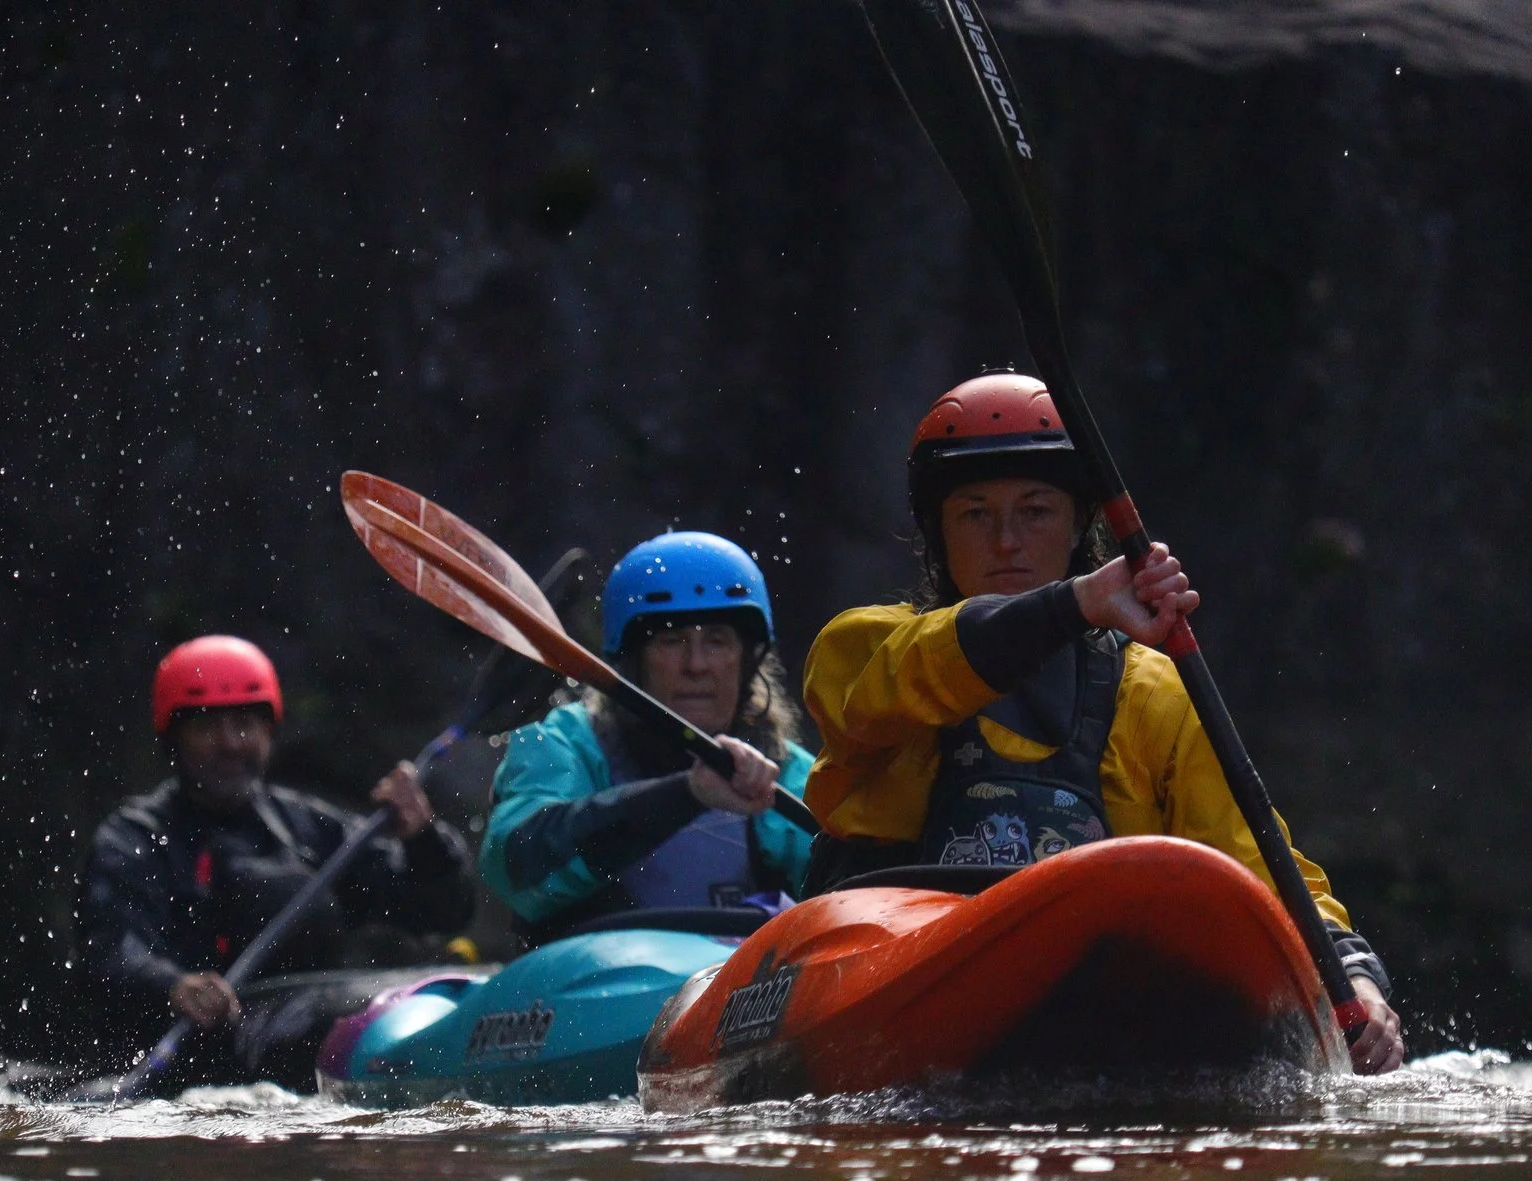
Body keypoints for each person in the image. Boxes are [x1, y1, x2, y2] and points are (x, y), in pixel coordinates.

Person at [800, 373, 1406, 1074]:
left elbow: (1260, 866)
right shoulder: (862, 647)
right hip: (891, 960)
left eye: (1035, 511)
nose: (1006, 541)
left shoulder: (1154, 693)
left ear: (1077, 525)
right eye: (974, 514)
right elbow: (922, 670)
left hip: (1081, 980)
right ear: (938, 532)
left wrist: (1353, 979)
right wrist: (1078, 601)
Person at [79, 635, 476, 1083]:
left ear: (270, 732)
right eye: (207, 727)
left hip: (304, 1030)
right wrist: (174, 986)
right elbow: (112, 948)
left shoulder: (307, 827)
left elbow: (439, 912)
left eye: (246, 724)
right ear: (173, 738)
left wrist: (424, 841)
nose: (230, 743)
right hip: (196, 1050)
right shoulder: (135, 836)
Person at [480, 533, 815, 939]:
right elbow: (519, 872)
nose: (696, 665)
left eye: (717, 641)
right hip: (593, 990)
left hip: (734, 999)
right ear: (635, 658)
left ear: (747, 660)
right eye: (672, 641)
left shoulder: (786, 772)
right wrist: (689, 794)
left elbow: (855, 896)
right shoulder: (560, 744)